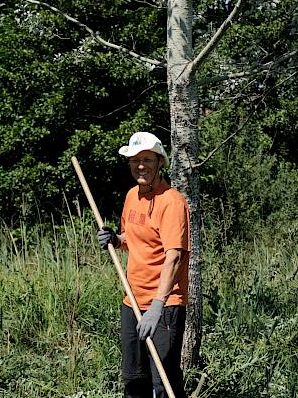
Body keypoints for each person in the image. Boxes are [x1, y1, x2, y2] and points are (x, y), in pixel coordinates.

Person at [97, 132, 190, 398]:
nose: (141, 166)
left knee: (163, 383)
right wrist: (115, 239)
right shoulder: (131, 196)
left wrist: (157, 307)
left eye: (147, 159)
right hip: (133, 301)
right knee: (134, 379)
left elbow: (174, 257)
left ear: (160, 162)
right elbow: (132, 238)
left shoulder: (171, 202)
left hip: (164, 304)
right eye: (135, 160)